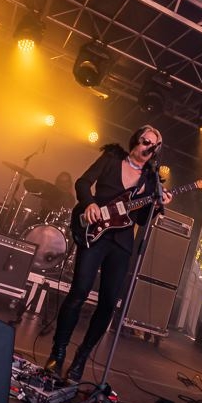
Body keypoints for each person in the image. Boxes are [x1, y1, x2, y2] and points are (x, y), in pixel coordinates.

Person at [45, 125, 172, 381]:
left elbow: (141, 220)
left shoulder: (151, 180)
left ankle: (81, 358)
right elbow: (83, 182)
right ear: (136, 140)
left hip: (121, 244)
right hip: (95, 234)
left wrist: (158, 206)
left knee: (108, 304)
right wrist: (89, 203)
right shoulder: (111, 159)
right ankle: (58, 352)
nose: (149, 147)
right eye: (146, 140)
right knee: (79, 292)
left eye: (154, 145)